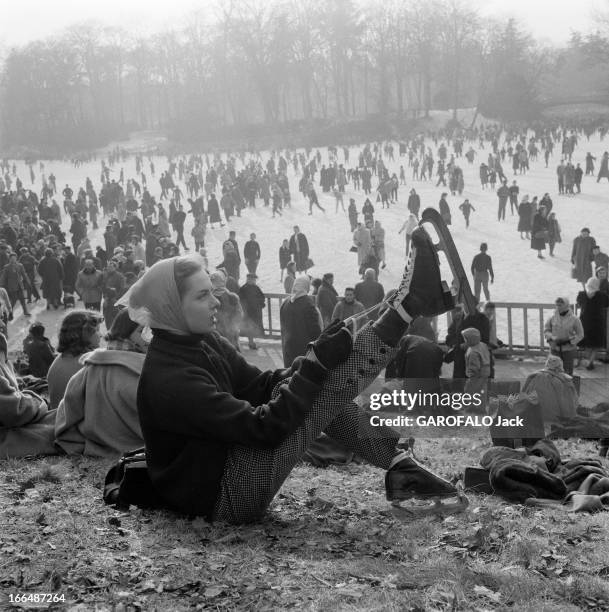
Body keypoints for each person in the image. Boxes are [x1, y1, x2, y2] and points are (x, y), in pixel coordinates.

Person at [130, 230, 460, 524]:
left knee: (314, 387)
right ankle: (409, 305)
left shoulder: (202, 342)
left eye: (211, 292)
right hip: (222, 498)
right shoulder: (170, 379)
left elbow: (263, 385)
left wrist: (314, 358)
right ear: (171, 307)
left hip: (230, 468)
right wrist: (314, 368)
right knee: (316, 393)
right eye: (203, 296)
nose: (216, 300)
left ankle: (402, 465)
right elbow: (265, 427)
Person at [54, 309, 149, 457]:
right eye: (141, 331)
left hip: (99, 445)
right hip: (134, 447)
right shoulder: (138, 368)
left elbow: (66, 410)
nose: (148, 338)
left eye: (151, 331)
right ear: (125, 332)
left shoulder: (93, 363)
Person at [0, 332, 57, 458]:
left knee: (65, 418)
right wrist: (40, 401)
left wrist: (28, 382)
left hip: (12, 422)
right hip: (6, 435)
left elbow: (8, 383)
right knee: (65, 428)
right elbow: (15, 411)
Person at [47, 310, 103, 410]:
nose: (101, 335)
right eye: (97, 330)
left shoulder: (60, 359)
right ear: (85, 334)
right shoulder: (86, 365)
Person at [280, 276, 322, 367]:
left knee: (289, 373)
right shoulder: (308, 304)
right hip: (303, 349)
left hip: (288, 347)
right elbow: (315, 330)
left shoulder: (286, 302)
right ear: (306, 286)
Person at [543, 297, 584, 376]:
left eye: (560, 305)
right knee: (552, 371)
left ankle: (567, 387)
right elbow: (546, 330)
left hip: (568, 349)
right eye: (557, 305)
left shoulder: (574, 319)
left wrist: (571, 341)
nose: (558, 307)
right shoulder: (552, 318)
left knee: (567, 372)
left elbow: (580, 334)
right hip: (554, 348)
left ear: (566, 306)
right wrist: (551, 338)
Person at [576, 277, 609, 370]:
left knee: (587, 343)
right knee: (596, 344)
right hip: (598, 322)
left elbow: (578, 303)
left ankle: (588, 360)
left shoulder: (581, 294)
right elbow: (607, 304)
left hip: (584, 322)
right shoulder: (602, 295)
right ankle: (591, 361)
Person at [210, 271, 242, 351]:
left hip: (220, 332)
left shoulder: (209, 297)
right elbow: (239, 314)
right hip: (226, 332)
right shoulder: (233, 297)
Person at [462, 327, 491, 411]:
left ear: (470, 340)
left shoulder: (473, 352)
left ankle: (469, 407)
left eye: (465, 339)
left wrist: (471, 376)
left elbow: (474, 366)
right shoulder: (482, 345)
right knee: (482, 390)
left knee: (469, 390)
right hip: (486, 370)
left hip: (477, 374)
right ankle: (481, 408)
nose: (464, 341)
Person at [239, 274, 265, 350]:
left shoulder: (255, 287)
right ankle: (251, 343)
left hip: (255, 312)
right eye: (253, 279)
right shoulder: (244, 288)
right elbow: (241, 300)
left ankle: (252, 343)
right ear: (248, 279)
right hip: (248, 313)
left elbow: (262, 297)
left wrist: (260, 304)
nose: (254, 281)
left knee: (253, 328)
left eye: (255, 280)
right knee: (250, 328)